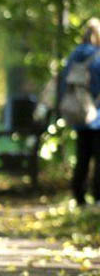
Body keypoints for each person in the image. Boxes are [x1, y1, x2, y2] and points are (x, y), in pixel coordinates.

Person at [59, 18, 100, 206]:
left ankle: (79, 196)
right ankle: (98, 196)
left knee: (82, 156)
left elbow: (64, 83)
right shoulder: (98, 57)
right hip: (97, 114)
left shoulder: (74, 55)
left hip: (78, 113)